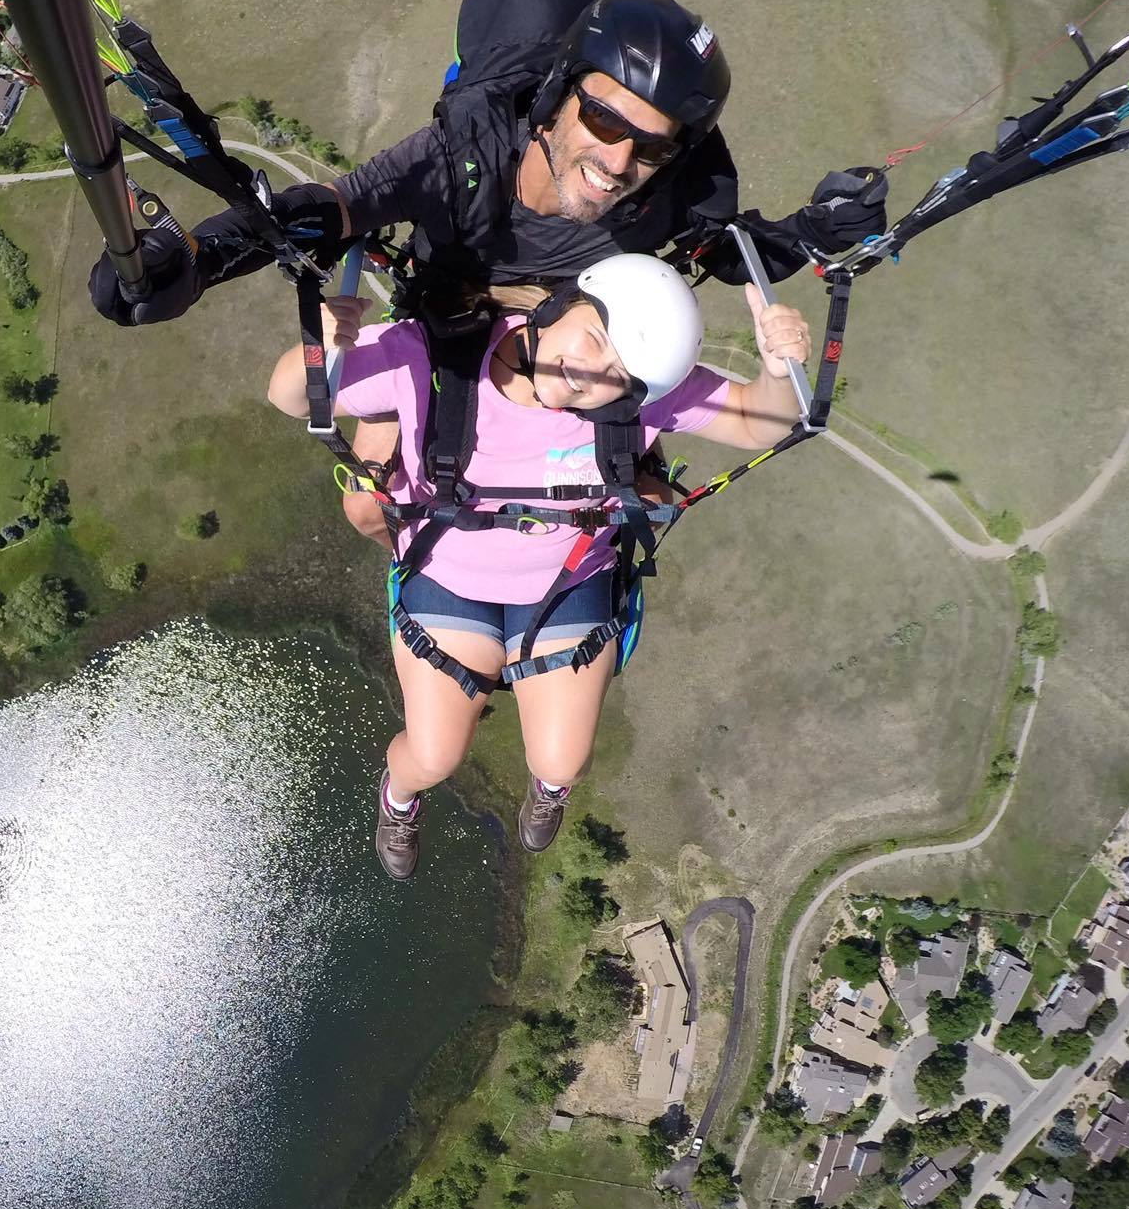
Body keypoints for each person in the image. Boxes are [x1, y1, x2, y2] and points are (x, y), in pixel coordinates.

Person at [90, 0, 885, 539]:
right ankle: (435, 576)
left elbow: (723, 251)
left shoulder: (662, 197)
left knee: (607, 504)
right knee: (370, 504)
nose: (619, 164)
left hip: (568, 360)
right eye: (606, 121)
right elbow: (332, 208)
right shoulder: (460, 155)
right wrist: (196, 261)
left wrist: (815, 233)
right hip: (451, 333)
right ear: (555, 98)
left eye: (652, 146)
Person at [265, 256, 812, 879]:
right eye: (596, 339)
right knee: (434, 755)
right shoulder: (436, 355)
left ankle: (547, 790)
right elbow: (289, 395)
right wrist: (324, 348)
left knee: (562, 762)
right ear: (558, 307)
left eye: (618, 375)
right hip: (449, 575)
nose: (589, 374)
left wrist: (776, 372)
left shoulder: (638, 400)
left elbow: (758, 419)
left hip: (569, 579)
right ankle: (400, 796)